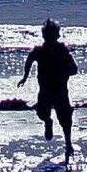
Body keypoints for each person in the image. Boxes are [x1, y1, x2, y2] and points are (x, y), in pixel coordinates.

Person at [18, 19, 78, 157]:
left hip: (60, 89)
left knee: (65, 118)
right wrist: (25, 76)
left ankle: (68, 143)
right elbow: (29, 59)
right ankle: (48, 122)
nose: (50, 40)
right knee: (41, 113)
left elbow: (74, 69)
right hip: (45, 89)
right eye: (47, 37)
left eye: (52, 37)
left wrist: (65, 72)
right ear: (43, 37)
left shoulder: (62, 50)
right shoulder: (39, 51)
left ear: (57, 36)